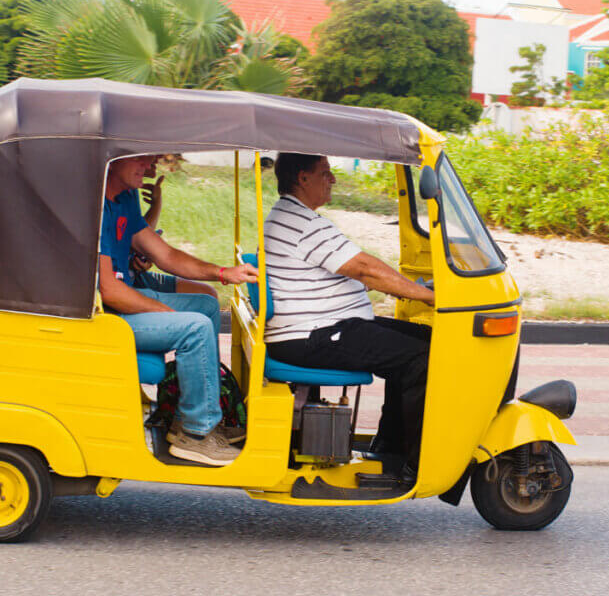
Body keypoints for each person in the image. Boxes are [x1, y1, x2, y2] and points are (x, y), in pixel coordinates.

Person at [262, 152, 435, 478]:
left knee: (427, 341)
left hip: (317, 327)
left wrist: (397, 286)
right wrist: (429, 296)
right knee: (423, 359)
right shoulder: (303, 223)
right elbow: (365, 268)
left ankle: (390, 448)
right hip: (311, 335)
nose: (334, 179)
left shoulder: (290, 215)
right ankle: (414, 463)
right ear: (303, 178)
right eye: (325, 173)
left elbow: (335, 271)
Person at [100, 155, 258, 466]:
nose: (149, 168)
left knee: (206, 306)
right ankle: (197, 434)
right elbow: (110, 291)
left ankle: (193, 415)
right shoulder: (96, 207)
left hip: (123, 301)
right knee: (195, 327)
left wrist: (225, 273)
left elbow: (165, 254)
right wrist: (161, 310)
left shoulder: (123, 197)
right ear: (117, 157)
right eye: (143, 159)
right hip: (105, 319)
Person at [128, 156, 217, 297]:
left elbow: (140, 235)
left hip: (135, 275)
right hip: (127, 282)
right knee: (205, 303)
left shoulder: (129, 191)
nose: (155, 160)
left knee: (209, 293)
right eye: (145, 155)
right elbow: (165, 256)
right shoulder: (114, 195)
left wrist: (156, 204)